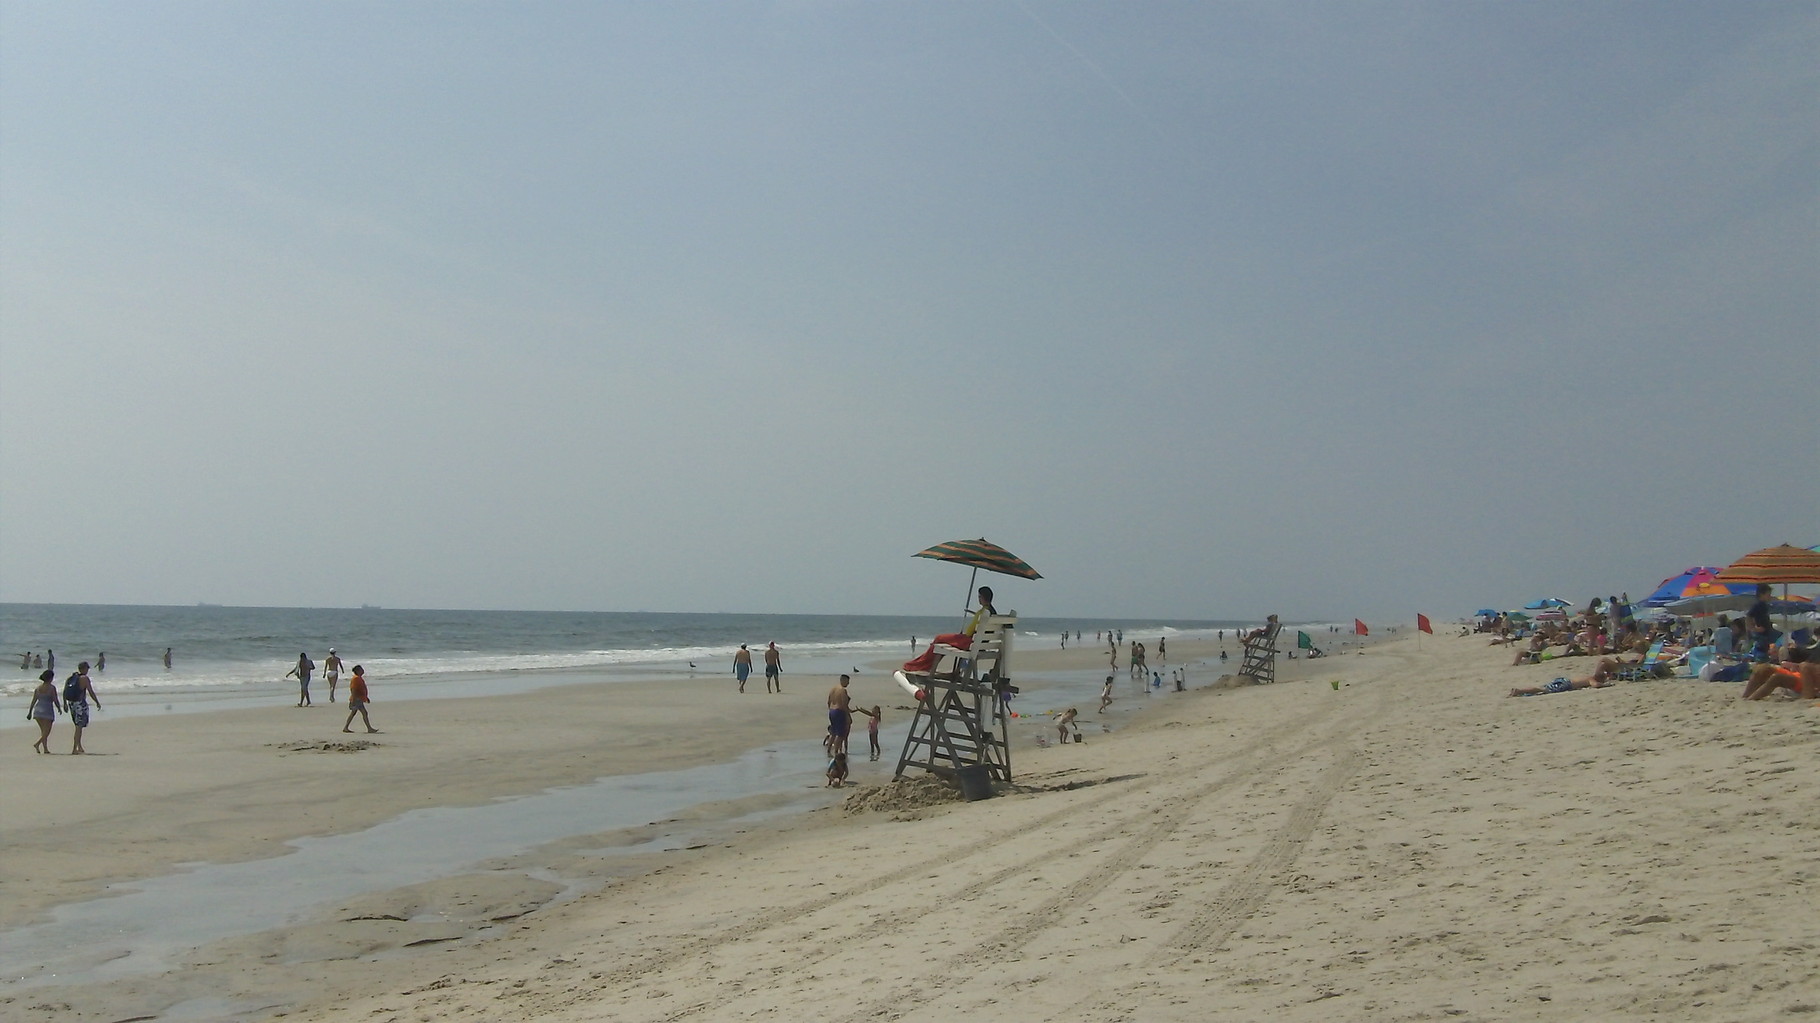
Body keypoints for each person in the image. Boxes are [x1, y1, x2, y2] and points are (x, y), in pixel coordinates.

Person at [902, 586, 996, 675]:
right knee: (939, 644)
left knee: (939, 638)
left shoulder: (982, 613)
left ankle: (920, 665)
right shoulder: (993, 612)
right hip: (980, 644)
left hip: (971, 643)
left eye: (979, 597)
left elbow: (969, 632)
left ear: (983, 598)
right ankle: (923, 664)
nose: (978, 599)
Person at [1742, 646, 1818, 701]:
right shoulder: (1815, 649)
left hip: (1806, 680)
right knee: (1762, 668)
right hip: (1798, 673)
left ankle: (1751, 699)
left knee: (1777, 677)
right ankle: (1746, 696)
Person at [64, 661, 101, 754]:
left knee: (77, 726)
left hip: (71, 704)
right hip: (80, 704)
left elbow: (65, 691)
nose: (88, 670)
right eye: (87, 668)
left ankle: (79, 746)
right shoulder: (84, 678)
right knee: (79, 727)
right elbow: (91, 692)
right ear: (84, 669)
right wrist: (97, 702)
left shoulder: (71, 678)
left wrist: (64, 703)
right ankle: (74, 749)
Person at [1508, 666, 1615, 697]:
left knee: (1543, 688)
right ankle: (1519, 691)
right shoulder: (1591, 679)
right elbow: (1596, 685)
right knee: (1543, 690)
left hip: (1564, 680)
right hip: (1566, 684)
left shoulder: (1588, 676)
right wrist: (1607, 685)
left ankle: (1520, 691)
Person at [27, 668, 59, 753]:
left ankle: (45, 749)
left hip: (37, 711)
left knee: (43, 732)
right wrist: (59, 708)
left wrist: (30, 712)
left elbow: (33, 701)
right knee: (47, 731)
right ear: (50, 678)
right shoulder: (52, 688)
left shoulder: (38, 688)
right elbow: (55, 699)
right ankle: (37, 744)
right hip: (47, 710)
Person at [342, 665, 377, 733]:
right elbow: (353, 689)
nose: (363, 670)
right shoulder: (356, 679)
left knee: (354, 713)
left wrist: (366, 697)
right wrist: (354, 700)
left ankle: (346, 727)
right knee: (364, 713)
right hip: (357, 699)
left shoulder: (359, 678)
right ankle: (369, 728)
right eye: (361, 669)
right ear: (358, 671)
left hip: (359, 698)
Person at [827, 674, 855, 755]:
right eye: (847, 681)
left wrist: (831, 710)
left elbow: (828, 702)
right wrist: (848, 715)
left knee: (833, 732)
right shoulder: (842, 690)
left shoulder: (833, 689)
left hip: (832, 711)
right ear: (843, 680)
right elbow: (844, 704)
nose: (848, 684)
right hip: (839, 711)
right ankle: (836, 752)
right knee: (840, 734)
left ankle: (829, 750)